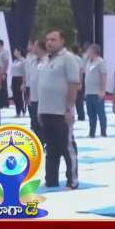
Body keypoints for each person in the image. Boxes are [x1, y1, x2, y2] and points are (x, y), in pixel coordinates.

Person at [37, 30, 80, 189]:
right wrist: (40, 110)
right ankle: (51, 179)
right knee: (51, 148)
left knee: (67, 148)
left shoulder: (68, 58)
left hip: (61, 111)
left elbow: (74, 84)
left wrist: (69, 108)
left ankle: (72, 180)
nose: (49, 42)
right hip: (47, 111)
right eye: (47, 39)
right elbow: (43, 87)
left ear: (62, 41)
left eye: (53, 39)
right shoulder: (46, 60)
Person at [84, 44, 108, 138]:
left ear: (94, 51)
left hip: (97, 92)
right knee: (91, 114)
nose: (87, 52)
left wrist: (102, 91)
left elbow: (104, 76)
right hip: (89, 92)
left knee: (100, 113)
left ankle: (103, 132)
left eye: (89, 50)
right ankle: (92, 132)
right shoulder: (88, 62)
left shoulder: (100, 62)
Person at [26, 40, 47, 145]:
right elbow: (31, 79)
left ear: (40, 48)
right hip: (34, 97)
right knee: (35, 124)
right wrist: (30, 95)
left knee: (44, 124)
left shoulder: (48, 61)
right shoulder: (33, 61)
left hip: (45, 99)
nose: (32, 49)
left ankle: (48, 144)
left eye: (34, 46)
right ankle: (41, 144)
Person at [69, 45, 86, 122]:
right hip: (74, 81)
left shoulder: (74, 59)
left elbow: (81, 71)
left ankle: (80, 115)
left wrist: (80, 83)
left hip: (74, 81)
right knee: (78, 100)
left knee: (77, 100)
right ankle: (80, 115)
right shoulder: (79, 59)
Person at [10, 48, 26, 117]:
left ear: (19, 52)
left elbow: (24, 72)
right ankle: (19, 111)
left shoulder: (23, 60)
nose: (14, 52)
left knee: (19, 96)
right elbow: (13, 72)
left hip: (20, 79)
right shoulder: (15, 61)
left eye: (16, 51)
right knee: (15, 96)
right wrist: (11, 83)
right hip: (14, 79)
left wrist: (23, 83)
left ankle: (21, 111)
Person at [0, 39, 10, 108]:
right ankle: (0, 103)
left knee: (3, 88)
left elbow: (6, 62)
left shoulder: (4, 51)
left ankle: (6, 103)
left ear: (0, 44)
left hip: (2, 72)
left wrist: (4, 72)